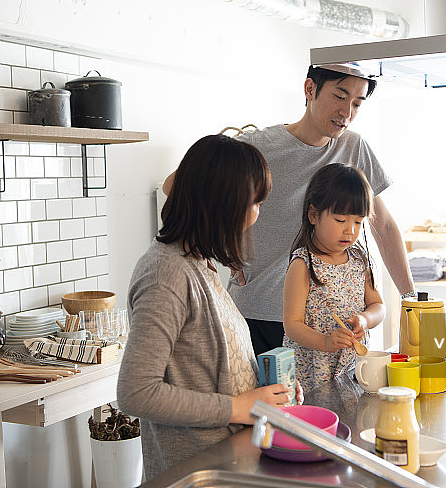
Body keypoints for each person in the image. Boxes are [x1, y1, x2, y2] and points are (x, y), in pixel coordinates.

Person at [163, 64, 415, 355]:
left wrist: (412, 299)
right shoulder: (259, 146)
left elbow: (382, 225)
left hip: (326, 323)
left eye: (357, 103)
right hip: (259, 314)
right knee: (261, 401)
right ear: (310, 89)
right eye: (340, 96)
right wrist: (218, 250)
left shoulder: (354, 147)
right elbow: (175, 186)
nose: (347, 113)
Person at [117, 134, 299, 480]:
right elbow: (135, 392)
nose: (257, 216)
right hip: (193, 472)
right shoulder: (166, 274)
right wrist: (238, 407)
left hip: (227, 461)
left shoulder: (199, 264)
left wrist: (270, 391)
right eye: (255, 203)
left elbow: (214, 369)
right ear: (222, 205)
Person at [283, 163, 386, 391]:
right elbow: (292, 325)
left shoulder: (359, 258)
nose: (350, 230)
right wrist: (326, 342)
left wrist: (365, 320)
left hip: (351, 370)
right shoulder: (303, 264)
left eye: (358, 222)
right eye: (340, 220)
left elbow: (378, 305)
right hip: (312, 376)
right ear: (313, 215)